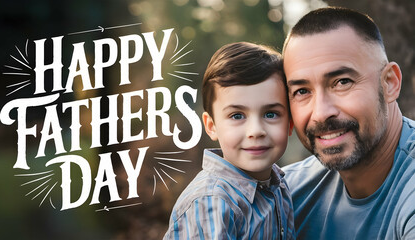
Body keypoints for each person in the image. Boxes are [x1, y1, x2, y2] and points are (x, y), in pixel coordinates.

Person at [282, 6, 415, 239]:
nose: (321, 113)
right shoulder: (285, 196)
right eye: (302, 91)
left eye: (342, 82)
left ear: (390, 83)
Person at [164, 42, 295, 239]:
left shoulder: (278, 185)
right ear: (211, 126)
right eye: (237, 116)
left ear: (290, 123)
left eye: (270, 114)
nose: (256, 131)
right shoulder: (212, 203)